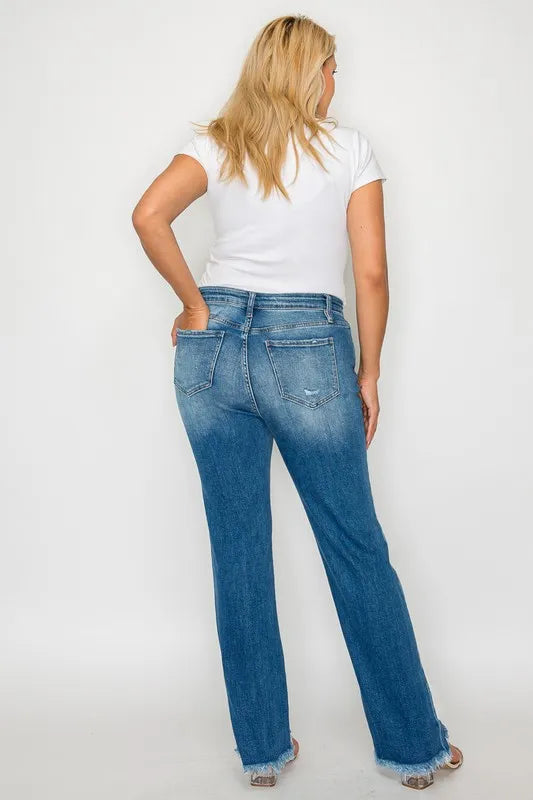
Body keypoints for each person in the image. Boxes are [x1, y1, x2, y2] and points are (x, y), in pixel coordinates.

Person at [131, 14, 463, 792]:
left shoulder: (216, 142)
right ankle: (413, 751)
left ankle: (261, 755)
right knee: (355, 547)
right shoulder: (347, 150)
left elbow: (148, 216)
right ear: (308, 72)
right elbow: (371, 274)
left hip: (210, 355)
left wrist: (192, 306)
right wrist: (369, 371)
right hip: (305, 345)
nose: (334, 83)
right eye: (331, 68)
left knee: (236, 551)